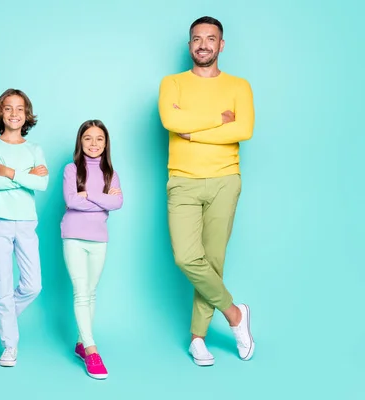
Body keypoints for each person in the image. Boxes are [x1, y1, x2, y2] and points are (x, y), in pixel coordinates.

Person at [158, 16, 255, 366]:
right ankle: (234, 314)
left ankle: (198, 338)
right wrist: (219, 120)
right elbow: (171, 122)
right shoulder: (172, 83)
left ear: (221, 45)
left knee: (213, 261)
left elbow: (244, 129)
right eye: (197, 38)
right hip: (182, 179)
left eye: (210, 38)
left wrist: (195, 131)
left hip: (225, 179)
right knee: (186, 257)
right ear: (189, 46)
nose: (203, 44)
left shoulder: (239, 86)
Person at [0, 89, 48, 367]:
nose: (14, 114)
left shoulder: (34, 149)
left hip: (27, 221)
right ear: (0, 112)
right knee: (3, 287)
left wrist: (9, 172)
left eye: (20, 109)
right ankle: (10, 345)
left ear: (27, 114)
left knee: (33, 285)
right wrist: (26, 177)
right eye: (8, 108)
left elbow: (42, 184)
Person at [60, 120, 123, 379]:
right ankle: (91, 349)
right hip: (73, 236)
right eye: (88, 138)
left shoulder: (111, 173)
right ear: (80, 141)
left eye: (99, 138)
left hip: (99, 239)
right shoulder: (71, 169)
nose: (94, 143)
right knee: (80, 292)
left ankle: (79, 342)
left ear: (106, 143)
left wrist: (89, 194)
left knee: (91, 292)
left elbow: (118, 202)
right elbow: (71, 201)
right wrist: (102, 198)